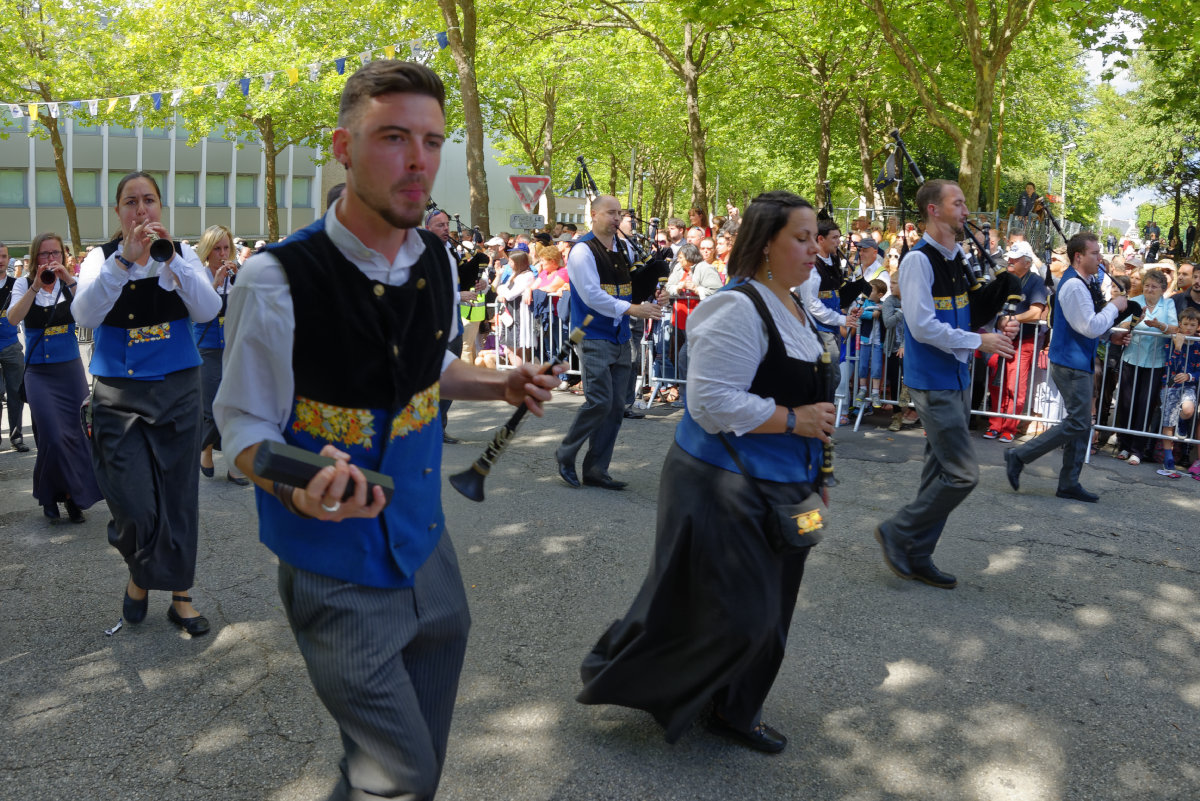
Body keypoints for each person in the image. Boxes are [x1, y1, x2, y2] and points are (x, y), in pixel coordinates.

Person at [213, 60, 561, 800]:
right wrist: (296, 487)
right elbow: (239, 421)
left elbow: (424, 366)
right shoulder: (275, 280)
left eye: (432, 141)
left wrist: (498, 381)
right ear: (344, 146)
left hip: (427, 547)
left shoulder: (436, 255)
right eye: (394, 137)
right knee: (400, 774)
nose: (418, 161)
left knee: (409, 772)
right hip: (334, 567)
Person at [577, 190, 835, 754]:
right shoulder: (737, 306)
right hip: (722, 483)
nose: (816, 248)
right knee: (742, 612)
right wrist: (795, 419)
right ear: (766, 244)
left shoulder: (794, 305)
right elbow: (711, 402)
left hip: (786, 484)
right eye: (802, 237)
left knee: (770, 610)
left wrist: (819, 474)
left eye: (816, 236)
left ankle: (732, 706)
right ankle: (671, 689)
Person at [73, 171, 222, 635]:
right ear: (118, 211)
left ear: (160, 207)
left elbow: (207, 309)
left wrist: (172, 265)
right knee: (134, 505)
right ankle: (140, 576)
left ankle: (181, 599)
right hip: (119, 393)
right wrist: (125, 263)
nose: (141, 211)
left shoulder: (180, 255)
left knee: (179, 497)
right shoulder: (101, 259)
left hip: (178, 388)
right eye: (131, 202)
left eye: (149, 201)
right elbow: (83, 315)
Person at [874, 179, 1016, 589]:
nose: (965, 210)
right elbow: (920, 327)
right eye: (957, 204)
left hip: (955, 375)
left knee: (938, 472)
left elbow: (966, 313)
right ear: (933, 210)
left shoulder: (957, 255)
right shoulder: (919, 261)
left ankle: (917, 554)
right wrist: (979, 341)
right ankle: (898, 531)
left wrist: (996, 306)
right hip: (933, 380)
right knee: (962, 474)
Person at [1004, 233, 1131, 502]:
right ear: (1078, 256)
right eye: (1095, 253)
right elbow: (1088, 326)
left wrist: (1110, 335)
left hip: (1076, 360)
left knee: (1081, 424)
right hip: (1071, 363)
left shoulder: (1080, 283)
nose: (1100, 257)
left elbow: (1084, 324)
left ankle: (1069, 482)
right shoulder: (1074, 286)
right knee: (1079, 422)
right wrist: (1115, 307)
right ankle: (1020, 455)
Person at [555, 194, 663, 490]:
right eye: (610, 213)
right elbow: (591, 295)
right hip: (592, 334)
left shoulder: (622, 247)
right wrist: (632, 309)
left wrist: (654, 294)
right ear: (593, 214)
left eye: (619, 214)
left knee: (616, 406)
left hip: (620, 334)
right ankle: (566, 452)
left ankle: (596, 469)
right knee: (600, 400)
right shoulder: (581, 251)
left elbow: (633, 285)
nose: (616, 218)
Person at [7, 232, 103, 522]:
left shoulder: (70, 284)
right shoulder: (24, 284)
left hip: (69, 369)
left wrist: (70, 281)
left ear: (64, 256)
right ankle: (53, 494)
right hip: (38, 372)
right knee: (51, 436)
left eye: (56, 254)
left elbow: (90, 315)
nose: (51, 260)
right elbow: (13, 318)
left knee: (75, 435)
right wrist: (35, 287)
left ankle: (70, 497)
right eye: (45, 255)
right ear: (35, 258)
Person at [193, 225, 249, 485]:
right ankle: (205, 448)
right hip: (207, 347)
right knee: (213, 405)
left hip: (233, 347)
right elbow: (199, 312)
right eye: (217, 248)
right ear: (207, 250)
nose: (223, 253)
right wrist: (214, 284)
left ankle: (234, 464)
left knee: (235, 406)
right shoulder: (200, 275)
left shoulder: (237, 275)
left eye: (227, 248)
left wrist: (240, 283)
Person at [981, 241, 1048, 444]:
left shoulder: (1035, 282)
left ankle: (1010, 426)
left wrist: (1013, 320)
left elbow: (1036, 312)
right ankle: (995, 424)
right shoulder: (1005, 279)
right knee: (995, 382)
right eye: (1010, 257)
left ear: (1027, 263)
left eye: (1015, 258)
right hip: (999, 338)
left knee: (1015, 385)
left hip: (1024, 341)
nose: (1010, 260)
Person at [1114, 268, 1177, 465]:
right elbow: (1121, 325)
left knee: (1145, 405)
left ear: (1162, 289)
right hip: (1131, 358)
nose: (1149, 290)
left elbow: (1176, 329)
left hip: (1154, 362)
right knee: (1125, 402)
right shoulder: (1136, 301)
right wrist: (1134, 322)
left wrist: (1160, 326)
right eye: (1147, 285)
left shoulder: (1168, 305)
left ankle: (1137, 450)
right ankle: (1123, 445)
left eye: (1154, 287)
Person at [1156, 308, 1200, 476]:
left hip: (1188, 386)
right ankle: (1168, 458)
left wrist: (1189, 376)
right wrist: (1178, 348)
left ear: (1198, 326)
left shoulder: (1198, 344)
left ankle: (1182, 422)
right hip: (1169, 385)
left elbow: (1198, 370)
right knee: (1168, 420)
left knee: (1188, 410)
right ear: (1180, 324)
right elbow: (1171, 366)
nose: (1188, 328)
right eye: (1186, 324)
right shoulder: (1172, 340)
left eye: (1192, 324)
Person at [0, 242, 29, 452]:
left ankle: (16, 436)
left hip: (11, 346)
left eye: (4, 256)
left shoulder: (16, 284)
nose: (0, 261)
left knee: (16, 393)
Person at [855, 278, 887, 406]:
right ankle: (862, 389)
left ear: (880, 295)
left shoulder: (883, 304)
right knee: (863, 365)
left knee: (876, 367)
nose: (868, 292)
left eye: (871, 290)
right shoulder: (864, 302)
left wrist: (882, 310)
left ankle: (875, 392)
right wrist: (872, 314)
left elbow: (889, 312)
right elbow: (859, 312)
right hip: (865, 340)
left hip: (878, 342)